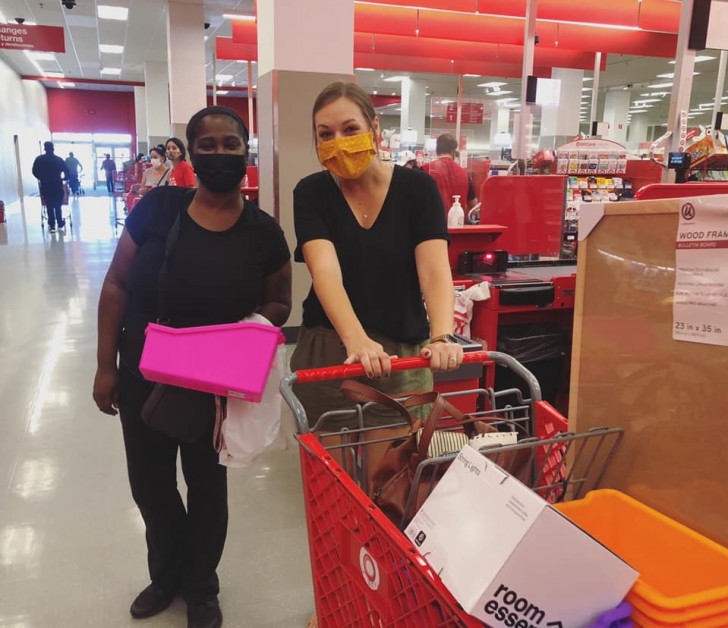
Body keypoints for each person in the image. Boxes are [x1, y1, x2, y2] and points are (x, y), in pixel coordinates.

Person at [92, 105, 291, 628]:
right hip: (144, 372)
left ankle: (201, 585)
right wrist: (105, 366)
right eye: (209, 144)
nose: (221, 154)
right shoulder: (159, 210)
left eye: (232, 145)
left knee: (207, 486)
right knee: (150, 485)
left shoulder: (263, 232)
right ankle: (167, 574)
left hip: (215, 382)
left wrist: (241, 330)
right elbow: (115, 284)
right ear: (191, 151)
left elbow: (280, 304)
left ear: (245, 152)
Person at [290, 81, 463, 438]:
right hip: (330, 351)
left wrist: (443, 335)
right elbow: (324, 271)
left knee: (396, 479)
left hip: (404, 357)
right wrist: (356, 340)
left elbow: (433, 269)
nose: (338, 141)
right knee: (334, 478)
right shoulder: (312, 193)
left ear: (375, 130)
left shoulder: (418, 189)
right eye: (326, 134)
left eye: (350, 129)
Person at [423, 133, 477, 211]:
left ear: (437, 149)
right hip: (458, 222)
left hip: (431, 222)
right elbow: (473, 205)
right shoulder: (464, 174)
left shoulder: (424, 170)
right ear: (453, 151)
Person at [32, 141, 69, 233]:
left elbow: (34, 171)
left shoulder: (39, 159)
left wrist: (41, 178)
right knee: (57, 204)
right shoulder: (58, 159)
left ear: (45, 148)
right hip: (57, 184)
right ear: (53, 148)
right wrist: (63, 178)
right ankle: (60, 222)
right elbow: (67, 171)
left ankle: (52, 224)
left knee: (49, 204)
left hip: (45, 185)